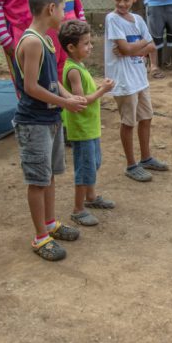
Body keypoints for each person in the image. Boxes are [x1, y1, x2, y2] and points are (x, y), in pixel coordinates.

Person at [13, 0, 88, 261]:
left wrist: (68, 96)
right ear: (51, 8)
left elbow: (52, 80)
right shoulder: (33, 41)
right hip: (34, 122)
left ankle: (50, 223)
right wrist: (65, 103)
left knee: (49, 175)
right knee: (38, 181)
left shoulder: (45, 40)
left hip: (49, 119)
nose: (65, 14)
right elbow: (31, 87)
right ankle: (40, 237)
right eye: (63, 9)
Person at [104, 0, 170, 182]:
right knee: (128, 122)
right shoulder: (112, 19)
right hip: (124, 81)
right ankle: (131, 164)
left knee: (146, 117)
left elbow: (152, 46)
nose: (122, 3)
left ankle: (146, 157)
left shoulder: (138, 20)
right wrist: (141, 44)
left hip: (140, 79)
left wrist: (134, 47)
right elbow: (128, 48)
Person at [57, 20, 116, 226]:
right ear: (71, 47)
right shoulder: (73, 70)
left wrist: (99, 89)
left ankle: (90, 197)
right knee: (85, 168)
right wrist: (103, 90)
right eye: (86, 43)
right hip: (82, 129)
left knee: (93, 163)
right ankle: (78, 209)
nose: (91, 47)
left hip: (90, 126)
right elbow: (80, 101)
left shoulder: (79, 65)